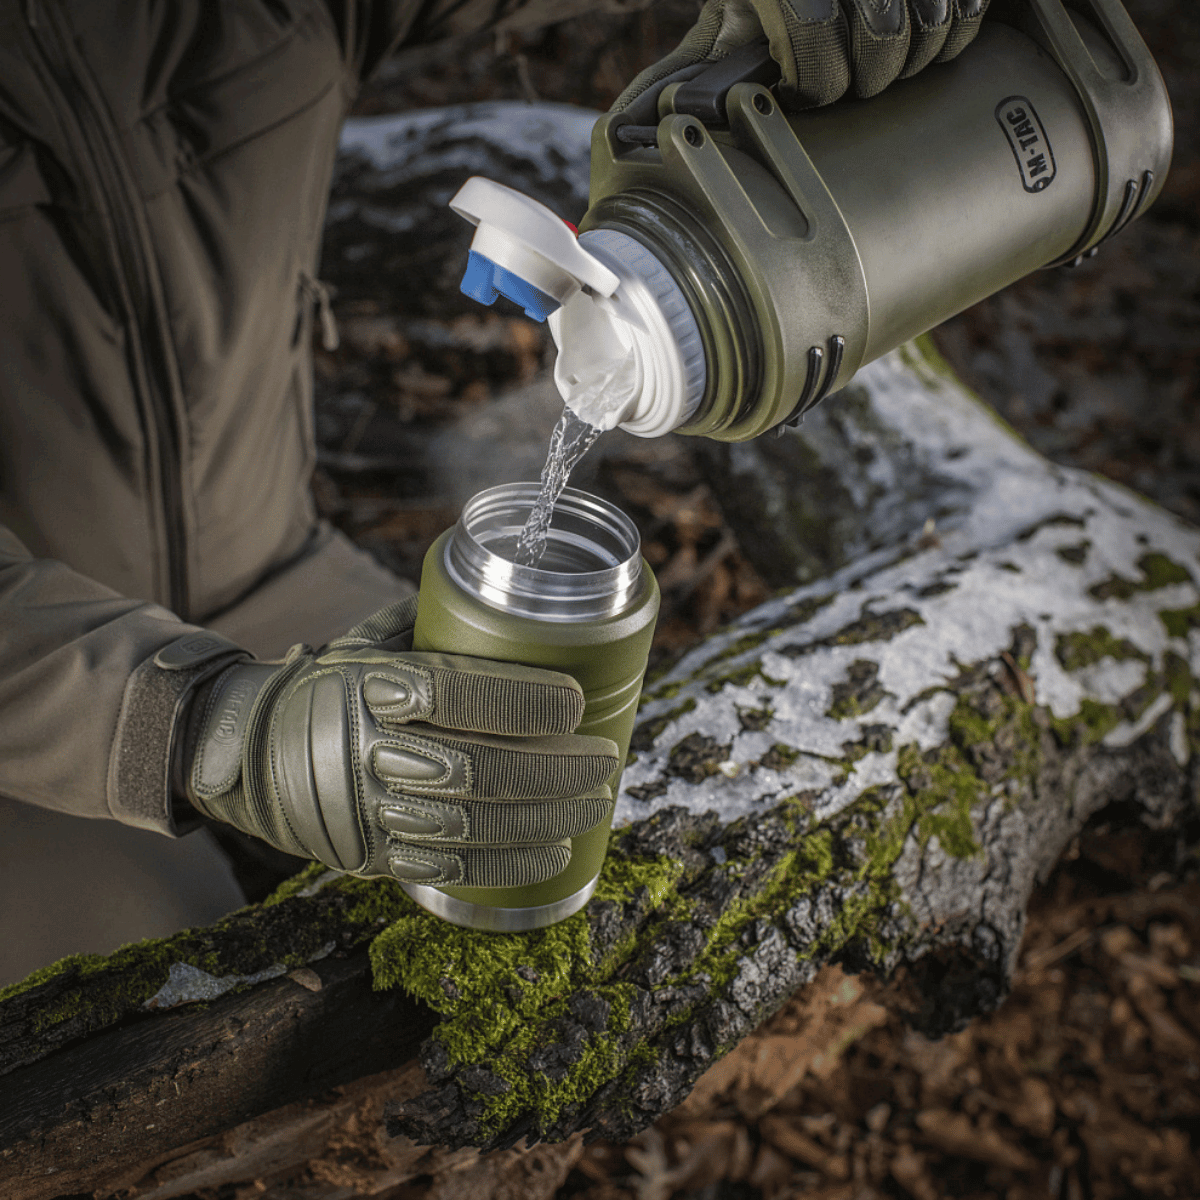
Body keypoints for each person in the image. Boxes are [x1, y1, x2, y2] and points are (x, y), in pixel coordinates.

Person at [0, 0, 987, 988]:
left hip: (266, 574)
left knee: (582, 876)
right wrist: (205, 727)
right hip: (39, 715)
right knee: (170, 996)